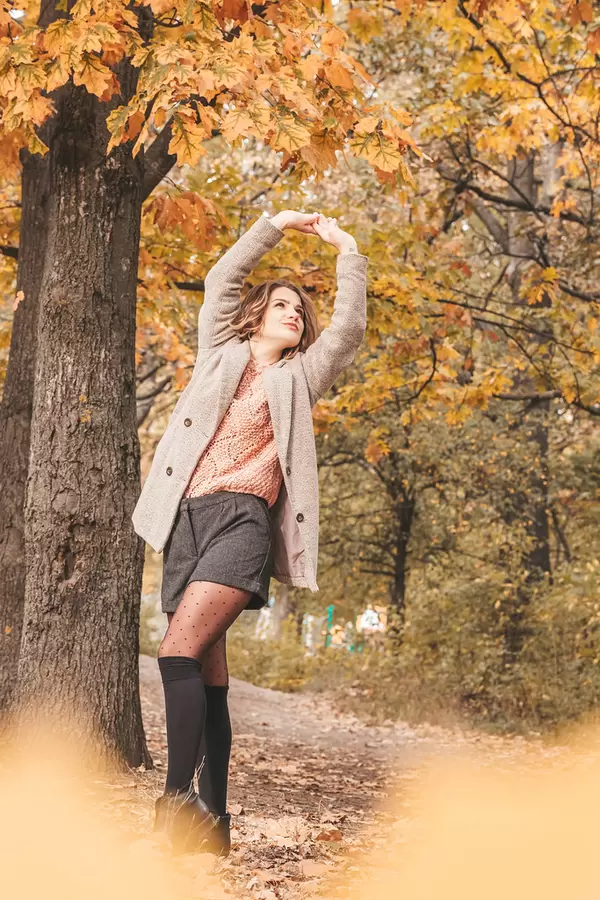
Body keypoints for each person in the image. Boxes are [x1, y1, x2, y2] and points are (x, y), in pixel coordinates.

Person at [132, 209, 368, 855]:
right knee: (208, 676)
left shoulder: (299, 377)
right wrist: (276, 224)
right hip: (186, 521)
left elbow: (349, 327)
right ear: (257, 314)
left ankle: (174, 807)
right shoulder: (218, 353)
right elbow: (220, 279)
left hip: (242, 521)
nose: (294, 314)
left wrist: (346, 248)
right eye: (282, 305)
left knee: (175, 653)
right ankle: (215, 822)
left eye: (300, 311)